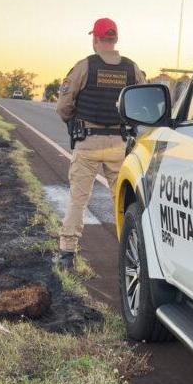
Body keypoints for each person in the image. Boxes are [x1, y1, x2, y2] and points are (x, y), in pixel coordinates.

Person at [55, 17, 146, 269]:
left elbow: (63, 106)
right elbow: (143, 102)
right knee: (125, 201)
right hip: (119, 144)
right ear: (115, 39)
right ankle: (133, 253)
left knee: (78, 199)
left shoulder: (85, 66)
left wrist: (73, 120)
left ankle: (67, 254)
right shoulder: (132, 68)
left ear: (95, 39)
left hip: (87, 144)